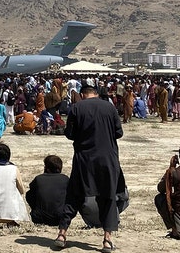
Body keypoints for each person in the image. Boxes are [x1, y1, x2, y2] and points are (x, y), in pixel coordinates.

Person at [56, 85, 125, 252]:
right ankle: (107, 239)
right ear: (96, 94)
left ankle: (62, 234)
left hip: (84, 159)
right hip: (107, 159)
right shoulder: (109, 107)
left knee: (74, 195)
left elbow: (70, 134)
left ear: (82, 94)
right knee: (107, 197)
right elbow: (119, 133)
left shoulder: (76, 108)